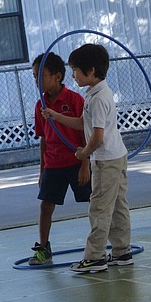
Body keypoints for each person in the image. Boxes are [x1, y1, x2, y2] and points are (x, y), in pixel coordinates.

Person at [42, 42, 133, 274]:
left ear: (91, 71)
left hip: (105, 161)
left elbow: (98, 136)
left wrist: (84, 152)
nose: (72, 75)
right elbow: (84, 123)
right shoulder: (97, 93)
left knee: (100, 208)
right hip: (116, 156)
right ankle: (122, 252)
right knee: (118, 205)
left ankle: (95, 257)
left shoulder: (97, 98)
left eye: (75, 70)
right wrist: (55, 116)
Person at [28, 52, 90, 266]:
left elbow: (86, 134)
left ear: (57, 76)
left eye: (40, 76)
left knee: (95, 203)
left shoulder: (75, 100)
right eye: (34, 76)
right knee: (46, 205)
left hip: (76, 159)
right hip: (53, 164)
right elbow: (43, 139)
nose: (36, 81)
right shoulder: (40, 105)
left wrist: (85, 164)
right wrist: (42, 170)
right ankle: (44, 247)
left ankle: (101, 244)